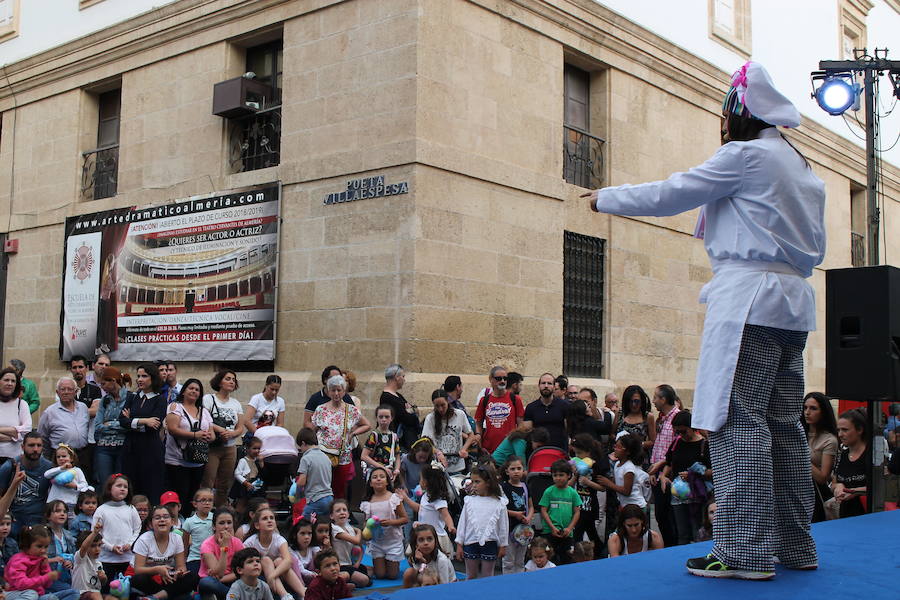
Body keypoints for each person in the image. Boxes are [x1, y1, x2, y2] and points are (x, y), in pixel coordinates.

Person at [588, 61, 825, 580]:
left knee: (739, 427)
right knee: (784, 428)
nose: (721, 123)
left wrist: (607, 198)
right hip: (791, 304)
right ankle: (795, 545)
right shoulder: (799, 166)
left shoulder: (746, 156)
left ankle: (744, 553)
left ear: (738, 113)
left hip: (749, 300)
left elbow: (673, 192)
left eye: (724, 112)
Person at [312, 375, 369, 500]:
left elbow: (366, 425)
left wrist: (353, 433)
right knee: (321, 487)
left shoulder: (351, 410)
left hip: (342, 456)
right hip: (323, 454)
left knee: (339, 488)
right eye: (333, 390)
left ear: (344, 391)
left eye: (339, 390)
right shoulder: (321, 409)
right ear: (328, 391)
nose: (336, 393)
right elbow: (313, 429)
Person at [660, 411, 712, 545]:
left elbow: (715, 470)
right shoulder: (677, 442)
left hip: (698, 494)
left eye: (683, 431)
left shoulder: (704, 445)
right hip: (678, 495)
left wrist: (695, 475)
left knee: (698, 530)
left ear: (692, 427)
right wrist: (664, 476)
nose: (681, 435)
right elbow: (669, 462)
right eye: (677, 432)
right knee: (681, 532)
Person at [119, 363, 167, 505]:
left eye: (144, 376)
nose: (140, 379)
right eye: (138, 376)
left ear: (153, 378)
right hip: (131, 449)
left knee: (150, 488)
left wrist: (132, 422)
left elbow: (154, 427)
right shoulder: (132, 397)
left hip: (150, 450)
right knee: (131, 487)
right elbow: (122, 421)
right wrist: (144, 420)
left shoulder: (160, 399)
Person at [165, 378, 215, 515]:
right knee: (180, 493)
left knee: (192, 495)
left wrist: (207, 437)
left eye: (197, 389)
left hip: (197, 461)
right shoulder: (175, 407)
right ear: (184, 391)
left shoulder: (204, 411)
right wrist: (195, 435)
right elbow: (172, 429)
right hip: (177, 460)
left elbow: (212, 434)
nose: (194, 391)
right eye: (191, 388)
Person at [132, 505, 200, 600]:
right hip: (152, 579)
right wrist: (158, 569)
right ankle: (171, 595)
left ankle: (155, 597)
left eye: (165, 517)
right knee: (137, 579)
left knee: (193, 577)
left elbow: (181, 567)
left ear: (172, 522)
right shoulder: (144, 540)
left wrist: (179, 572)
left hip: (169, 578)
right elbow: (138, 570)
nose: (162, 520)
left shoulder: (177, 539)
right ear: (151, 524)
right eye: (157, 518)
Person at [455, 462, 508, 580]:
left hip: (490, 542)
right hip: (470, 541)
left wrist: (503, 545)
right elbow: (462, 523)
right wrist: (459, 543)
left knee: (488, 576)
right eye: (472, 481)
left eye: (477, 482)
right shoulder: (469, 501)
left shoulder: (499, 502)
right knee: (471, 575)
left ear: (488, 483)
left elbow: (503, 525)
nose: (474, 485)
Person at [202, 370, 246, 508]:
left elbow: (240, 427)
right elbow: (205, 420)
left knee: (224, 484)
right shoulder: (209, 399)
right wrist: (222, 431)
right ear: (220, 381)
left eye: (233, 379)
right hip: (213, 447)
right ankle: (204, 511)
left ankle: (221, 511)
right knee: (208, 481)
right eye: (228, 379)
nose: (232, 381)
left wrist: (232, 434)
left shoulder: (236, 403)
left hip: (230, 447)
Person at [242, 508, 304, 600]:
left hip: (277, 575)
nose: (269, 520)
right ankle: (284, 595)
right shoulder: (250, 542)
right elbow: (243, 561)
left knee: (280, 561)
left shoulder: (279, 539)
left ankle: (304, 593)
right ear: (257, 525)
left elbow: (288, 561)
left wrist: (272, 576)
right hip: (259, 575)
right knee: (265, 560)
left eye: (272, 518)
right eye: (265, 518)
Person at [5, 524, 79, 600]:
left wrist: (45, 567)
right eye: (39, 546)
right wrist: (46, 577)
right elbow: (21, 584)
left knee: (74, 593)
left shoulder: (41, 559)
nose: (43, 550)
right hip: (19, 594)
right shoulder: (19, 560)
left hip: (38, 595)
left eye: (46, 547)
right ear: (27, 545)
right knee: (32, 594)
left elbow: (47, 585)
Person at [359, 466, 408, 580]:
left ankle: (391, 563)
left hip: (393, 541)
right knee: (380, 575)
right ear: (370, 483)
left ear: (387, 481)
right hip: (377, 542)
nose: (378, 479)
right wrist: (367, 529)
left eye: (382, 477)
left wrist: (391, 522)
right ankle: (373, 567)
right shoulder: (368, 502)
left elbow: (405, 519)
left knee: (392, 575)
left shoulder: (393, 498)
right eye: (375, 477)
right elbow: (365, 523)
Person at [647, 384, 681, 548]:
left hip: (669, 475)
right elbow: (658, 445)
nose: (653, 401)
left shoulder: (678, 419)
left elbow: (677, 450)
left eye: (655, 397)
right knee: (660, 515)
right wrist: (654, 469)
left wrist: (663, 467)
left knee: (669, 516)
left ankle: (673, 547)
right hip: (657, 473)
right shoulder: (662, 418)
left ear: (664, 399)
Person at [397, 464, 455, 556]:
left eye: (421, 479)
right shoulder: (426, 496)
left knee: (434, 559)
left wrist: (450, 526)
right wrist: (406, 498)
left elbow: (446, 515)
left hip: (434, 535)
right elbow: (420, 509)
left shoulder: (438, 500)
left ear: (426, 482)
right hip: (423, 533)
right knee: (417, 557)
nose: (419, 482)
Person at [0, 432, 52, 534]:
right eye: (31, 445)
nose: (35, 449)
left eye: (39, 445)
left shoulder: (49, 468)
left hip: (38, 523)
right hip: (13, 522)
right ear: (22, 447)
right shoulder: (9, 467)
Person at [93, 474, 141, 583]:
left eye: (125, 486)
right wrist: (111, 547)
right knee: (104, 588)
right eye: (119, 485)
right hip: (106, 559)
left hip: (127, 558)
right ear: (110, 488)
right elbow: (96, 533)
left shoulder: (131, 508)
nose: (123, 489)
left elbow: (137, 528)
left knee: (126, 588)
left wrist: (130, 543)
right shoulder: (101, 510)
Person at [570, 434, 610, 559]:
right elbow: (570, 485)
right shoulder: (578, 465)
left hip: (590, 505)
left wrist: (588, 483)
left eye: (579, 453)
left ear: (588, 452)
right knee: (583, 532)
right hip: (579, 506)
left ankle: (596, 552)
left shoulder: (595, 465)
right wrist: (575, 475)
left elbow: (602, 488)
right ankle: (593, 552)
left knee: (586, 532)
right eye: (575, 453)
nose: (577, 456)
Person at [93, 367, 132, 489]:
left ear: (113, 381)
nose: (102, 387)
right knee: (106, 483)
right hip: (104, 447)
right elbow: (98, 426)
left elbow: (130, 424)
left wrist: (110, 423)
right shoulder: (105, 400)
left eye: (104, 383)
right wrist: (120, 423)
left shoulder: (131, 398)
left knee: (121, 483)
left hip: (123, 446)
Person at [803, 392, 838, 523]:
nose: (807, 412)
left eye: (813, 408)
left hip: (815, 495)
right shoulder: (799, 434)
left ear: (823, 412)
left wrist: (801, 457)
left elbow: (823, 477)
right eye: (805, 407)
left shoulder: (829, 440)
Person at [538, 459, 582, 564]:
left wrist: (569, 528)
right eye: (555, 475)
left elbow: (577, 512)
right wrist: (552, 527)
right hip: (550, 532)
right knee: (549, 558)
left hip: (567, 533)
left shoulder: (573, 493)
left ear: (568, 476)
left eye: (561, 475)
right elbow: (543, 510)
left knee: (567, 558)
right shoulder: (549, 491)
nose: (558, 478)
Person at [37, 378, 90, 463]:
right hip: (61, 458)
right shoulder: (49, 412)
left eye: (69, 389)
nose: (66, 392)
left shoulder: (83, 408)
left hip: (83, 455)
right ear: (57, 392)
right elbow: (42, 437)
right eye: (62, 389)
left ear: (75, 392)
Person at [474, 366, 524, 455]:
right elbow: (478, 423)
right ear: (491, 379)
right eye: (498, 378)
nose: (502, 381)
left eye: (505, 378)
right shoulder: (484, 400)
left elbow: (521, 425)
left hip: (509, 449)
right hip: (488, 449)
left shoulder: (515, 399)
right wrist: (479, 442)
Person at [421, 389, 474, 474]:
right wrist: (437, 452)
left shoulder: (460, 414)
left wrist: (464, 449)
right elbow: (425, 441)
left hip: (457, 467)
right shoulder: (430, 418)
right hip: (438, 466)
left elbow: (471, 435)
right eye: (437, 406)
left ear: (448, 402)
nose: (440, 409)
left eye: (443, 405)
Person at [68, 356, 102, 482]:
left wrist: (72, 410)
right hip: (69, 442)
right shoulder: (66, 389)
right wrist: (85, 411)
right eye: (74, 367)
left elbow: (95, 411)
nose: (78, 370)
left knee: (87, 477)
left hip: (89, 440)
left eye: (80, 367)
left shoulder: (94, 389)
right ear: (71, 370)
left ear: (87, 368)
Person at [199, 506, 243, 600]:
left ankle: (231, 596)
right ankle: (236, 596)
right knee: (206, 582)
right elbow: (220, 573)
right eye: (222, 523)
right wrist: (224, 548)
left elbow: (242, 570)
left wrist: (224, 578)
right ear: (214, 526)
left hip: (231, 580)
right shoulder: (206, 545)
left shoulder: (237, 542)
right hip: (212, 582)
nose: (226, 526)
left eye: (229, 522)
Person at [832, 409, 868, 518]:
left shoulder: (872, 456)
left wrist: (855, 492)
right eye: (838, 430)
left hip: (867, 514)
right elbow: (834, 482)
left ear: (859, 430)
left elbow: (880, 487)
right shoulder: (842, 454)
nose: (840, 434)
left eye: (845, 430)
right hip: (845, 514)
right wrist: (838, 487)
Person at [499, 456, 532, 574]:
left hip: (523, 528)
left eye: (519, 468)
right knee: (508, 560)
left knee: (520, 559)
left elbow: (531, 506)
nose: (516, 471)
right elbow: (500, 508)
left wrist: (528, 517)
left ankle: (519, 580)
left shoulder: (525, 486)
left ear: (523, 470)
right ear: (507, 471)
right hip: (509, 528)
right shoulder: (503, 487)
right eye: (513, 469)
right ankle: (507, 582)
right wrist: (515, 514)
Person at [329, 499, 370, 588]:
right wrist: (359, 531)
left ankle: (345, 584)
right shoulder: (334, 529)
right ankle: (340, 585)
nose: (342, 512)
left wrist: (357, 563)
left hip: (350, 564)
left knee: (368, 572)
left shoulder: (349, 528)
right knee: (364, 580)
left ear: (348, 514)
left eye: (344, 510)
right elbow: (356, 540)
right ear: (332, 516)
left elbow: (360, 548)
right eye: (338, 511)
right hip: (340, 566)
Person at [295, 428, 334, 520]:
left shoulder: (306, 458)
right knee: (323, 525)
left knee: (304, 524)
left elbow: (301, 482)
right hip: (329, 498)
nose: (301, 450)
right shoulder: (325, 457)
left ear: (303, 443)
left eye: (300, 447)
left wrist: (297, 496)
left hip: (315, 499)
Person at [379, 365, 421, 451]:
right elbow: (408, 419)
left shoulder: (398, 396)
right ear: (397, 377)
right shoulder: (388, 397)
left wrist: (411, 411)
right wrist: (411, 412)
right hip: (397, 442)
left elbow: (413, 413)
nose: (404, 379)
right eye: (403, 376)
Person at [523, 373, 570, 449]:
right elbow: (527, 432)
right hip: (538, 452)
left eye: (549, 383)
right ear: (539, 386)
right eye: (543, 383)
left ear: (554, 387)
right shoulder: (531, 407)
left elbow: (569, 430)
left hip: (559, 452)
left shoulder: (564, 406)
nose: (546, 386)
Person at [44, 445, 91, 518]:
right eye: (58, 457)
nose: (61, 459)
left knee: (71, 522)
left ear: (71, 458)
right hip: (55, 502)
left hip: (71, 503)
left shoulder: (77, 470)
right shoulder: (56, 470)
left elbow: (85, 485)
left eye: (64, 456)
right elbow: (46, 475)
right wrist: (61, 468)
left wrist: (75, 486)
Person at [614, 385, 656, 462]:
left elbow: (653, 441)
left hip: (638, 459)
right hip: (620, 457)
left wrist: (638, 444)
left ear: (642, 401)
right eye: (630, 401)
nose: (633, 404)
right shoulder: (620, 413)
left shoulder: (648, 417)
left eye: (637, 401)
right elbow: (612, 434)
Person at [0, 368, 33, 463]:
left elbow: (27, 429)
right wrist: (16, 437)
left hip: (14, 460)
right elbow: (21, 434)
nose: (9, 383)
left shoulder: (21, 404)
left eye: (13, 381)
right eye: (6, 380)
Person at [360, 405, 401, 482]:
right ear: (376, 418)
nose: (384, 419)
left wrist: (397, 469)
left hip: (389, 472)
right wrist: (382, 467)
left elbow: (397, 455)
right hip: (375, 472)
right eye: (381, 417)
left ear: (391, 418)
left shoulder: (394, 436)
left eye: (387, 417)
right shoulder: (374, 435)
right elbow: (364, 456)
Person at [182, 488, 215, 574]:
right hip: (195, 558)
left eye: (210, 500)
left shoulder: (216, 518)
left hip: (213, 557)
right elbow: (184, 544)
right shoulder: (189, 521)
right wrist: (184, 561)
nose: (207, 503)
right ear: (195, 504)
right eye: (203, 500)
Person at [72, 522, 105, 600]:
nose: (97, 549)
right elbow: (84, 547)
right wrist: (94, 533)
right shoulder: (80, 559)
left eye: (99, 545)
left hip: (95, 593)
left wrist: (103, 578)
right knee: (95, 595)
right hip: (80, 594)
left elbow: (102, 583)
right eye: (93, 546)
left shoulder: (98, 563)